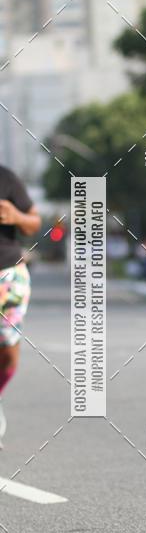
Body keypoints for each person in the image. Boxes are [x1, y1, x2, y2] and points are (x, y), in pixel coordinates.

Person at [0, 166, 42, 446]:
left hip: (8, 274)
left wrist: (16, 216)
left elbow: (34, 222)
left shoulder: (5, 178)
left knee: (8, 352)